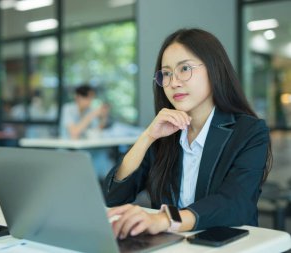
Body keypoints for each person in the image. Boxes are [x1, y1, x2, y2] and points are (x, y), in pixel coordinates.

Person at [103, 28, 272, 239]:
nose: (174, 82)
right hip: (170, 245)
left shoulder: (249, 132)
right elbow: (114, 197)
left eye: (184, 69)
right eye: (166, 73)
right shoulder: (164, 133)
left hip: (228, 245)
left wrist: (166, 219)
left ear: (214, 69)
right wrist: (147, 137)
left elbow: (234, 203)